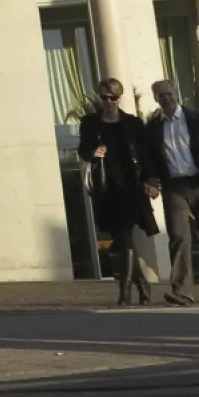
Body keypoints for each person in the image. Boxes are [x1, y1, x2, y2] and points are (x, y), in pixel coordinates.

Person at [139, 78, 199, 306]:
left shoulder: (196, 119)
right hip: (174, 186)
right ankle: (182, 292)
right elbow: (150, 160)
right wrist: (152, 181)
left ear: (177, 93)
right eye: (161, 95)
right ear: (156, 98)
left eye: (169, 93)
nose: (166, 97)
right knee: (179, 238)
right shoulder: (153, 128)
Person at [77, 76, 149, 299]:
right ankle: (143, 285)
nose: (109, 101)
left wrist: (152, 182)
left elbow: (146, 156)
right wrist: (92, 153)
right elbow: (82, 149)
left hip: (130, 187)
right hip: (106, 188)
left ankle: (125, 290)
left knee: (126, 236)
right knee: (120, 238)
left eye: (113, 97)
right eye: (104, 97)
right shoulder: (90, 123)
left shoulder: (133, 124)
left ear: (120, 98)